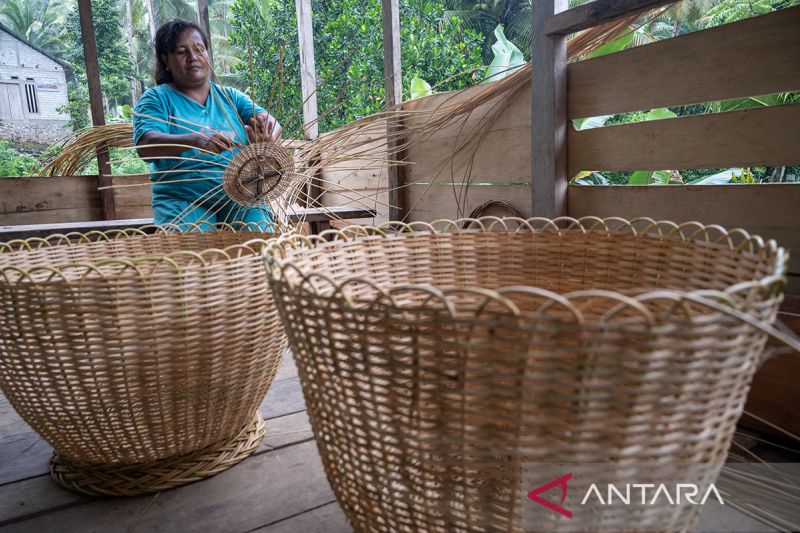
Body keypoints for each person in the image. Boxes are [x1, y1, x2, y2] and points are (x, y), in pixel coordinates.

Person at [133, 19, 282, 229]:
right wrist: (194, 140)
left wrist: (267, 139)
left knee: (261, 239)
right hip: (183, 201)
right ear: (166, 60)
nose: (193, 57)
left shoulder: (230, 97)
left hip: (239, 195)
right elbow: (145, 145)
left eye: (199, 49)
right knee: (198, 254)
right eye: (182, 52)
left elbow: (273, 124)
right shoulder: (156, 99)